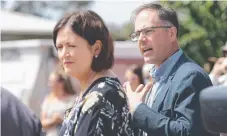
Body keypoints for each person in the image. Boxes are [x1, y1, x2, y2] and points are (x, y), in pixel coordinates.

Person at [124, 3, 217, 136]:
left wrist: (139, 110)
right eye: (137, 34)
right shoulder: (157, 78)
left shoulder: (191, 76)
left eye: (147, 31)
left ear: (171, 33)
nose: (141, 40)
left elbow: (187, 132)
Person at [53, 10, 138, 136]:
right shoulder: (92, 92)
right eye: (59, 47)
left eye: (71, 45)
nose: (64, 54)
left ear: (96, 48)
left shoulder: (102, 95)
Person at [41, 70, 76, 136]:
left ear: (61, 83)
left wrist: (62, 120)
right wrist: (53, 121)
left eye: (52, 82)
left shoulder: (73, 100)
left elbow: (77, 122)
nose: (49, 85)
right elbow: (43, 123)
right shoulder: (48, 100)